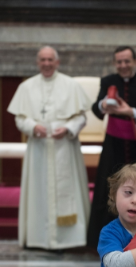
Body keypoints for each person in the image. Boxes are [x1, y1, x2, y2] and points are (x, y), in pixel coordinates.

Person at [7, 46, 91, 249]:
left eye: (50, 60)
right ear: (37, 63)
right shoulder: (27, 87)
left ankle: (71, 239)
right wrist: (32, 127)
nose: (46, 63)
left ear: (57, 62)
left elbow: (81, 117)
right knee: (39, 191)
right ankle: (39, 238)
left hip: (65, 147)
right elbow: (20, 118)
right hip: (39, 147)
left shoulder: (70, 85)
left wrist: (69, 128)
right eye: (42, 60)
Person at [87, 45, 136, 249]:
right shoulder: (108, 81)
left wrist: (130, 111)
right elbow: (96, 107)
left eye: (127, 61)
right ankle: (103, 241)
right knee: (108, 189)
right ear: (115, 63)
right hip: (113, 146)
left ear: (135, 62)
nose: (123, 65)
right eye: (119, 62)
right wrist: (102, 105)